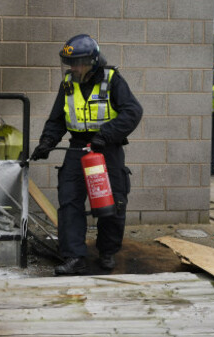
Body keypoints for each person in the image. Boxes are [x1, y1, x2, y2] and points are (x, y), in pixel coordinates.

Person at [30, 34, 142, 275]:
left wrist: (106, 134)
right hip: (77, 149)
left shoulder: (112, 80)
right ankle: (74, 257)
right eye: (70, 63)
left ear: (92, 61)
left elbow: (133, 112)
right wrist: (47, 142)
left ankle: (107, 251)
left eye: (78, 63)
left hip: (106, 150)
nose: (74, 68)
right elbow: (57, 119)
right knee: (69, 201)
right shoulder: (68, 83)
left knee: (112, 202)